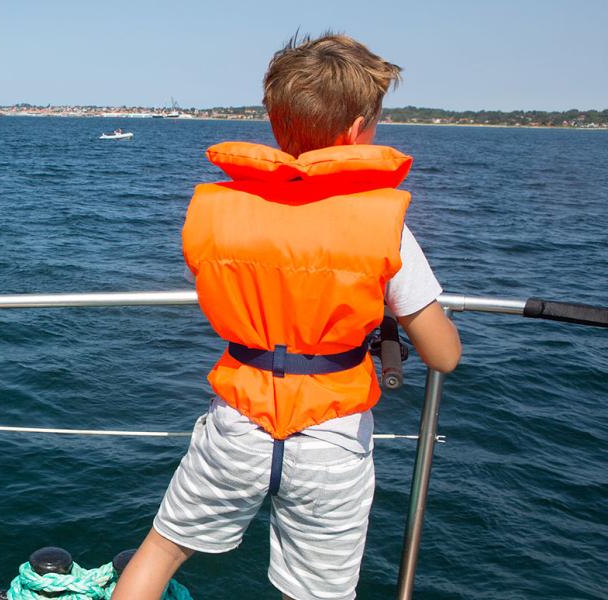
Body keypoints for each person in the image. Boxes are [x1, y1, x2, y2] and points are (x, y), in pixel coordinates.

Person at [112, 33, 462, 600]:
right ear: (355, 132)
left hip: (236, 425)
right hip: (333, 440)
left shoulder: (226, 213)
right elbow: (444, 353)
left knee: (162, 549)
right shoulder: (384, 226)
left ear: (277, 124)